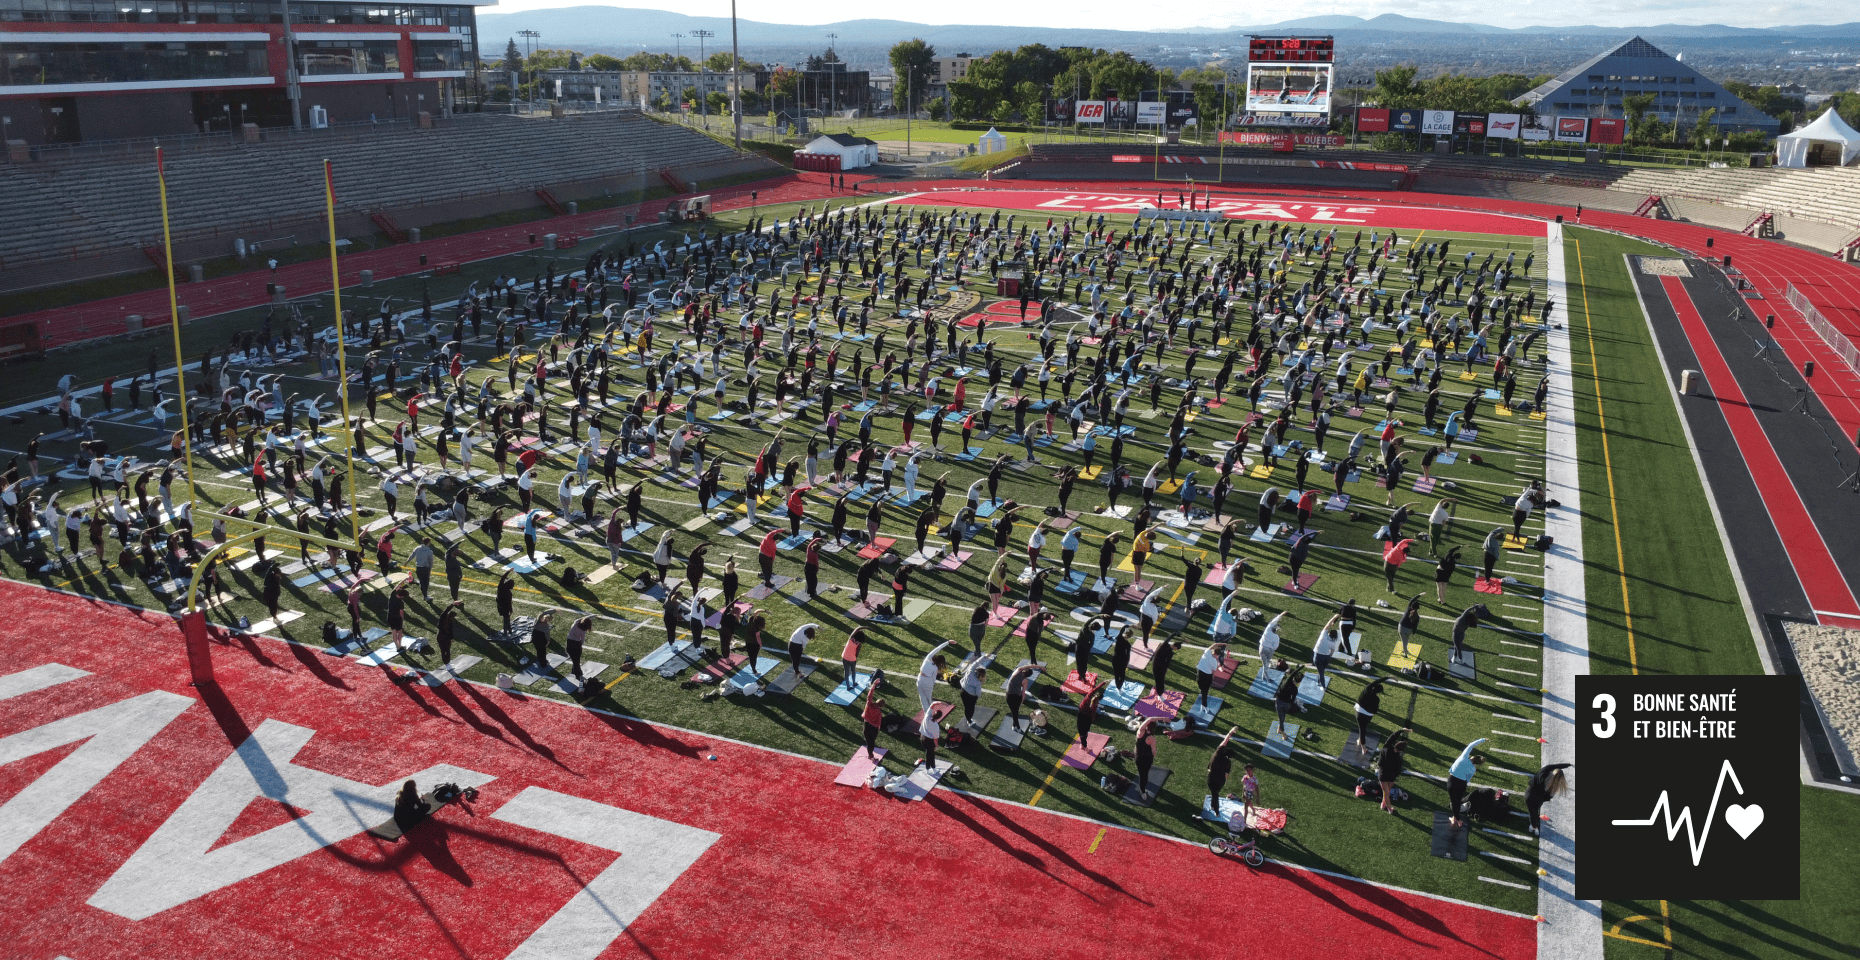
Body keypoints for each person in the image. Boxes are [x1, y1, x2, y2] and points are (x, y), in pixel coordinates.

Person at [1446, 737, 1489, 828]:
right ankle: (1455, 818)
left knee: (1454, 802)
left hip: (1452, 781)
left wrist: (1483, 740)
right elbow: (1467, 780)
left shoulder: (1464, 756)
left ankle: (1456, 820)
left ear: (1473, 757)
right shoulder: (1473, 769)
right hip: (1462, 784)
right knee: (1457, 801)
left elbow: (1471, 745)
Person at [1526, 762, 1572, 835]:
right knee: (1535, 811)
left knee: (1532, 812)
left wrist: (1566, 764)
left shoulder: (1544, 773)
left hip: (1530, 794)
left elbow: (1552, 766)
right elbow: (1548, 798)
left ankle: (1534, 827)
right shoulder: (1554, 787)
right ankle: (1534, 826)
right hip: (1540, 799)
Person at [1378, 729, 1412, 814]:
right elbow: (1397, 770)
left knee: (1386, 792)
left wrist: (1401, 730)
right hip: (1390, 776)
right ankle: (1389, 808)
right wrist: (1395, 776)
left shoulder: (1386, 747)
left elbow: (1392, 737)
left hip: (1383, 773)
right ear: (1401, 750)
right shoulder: (1398, 759)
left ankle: (1383, 804)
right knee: (1387, 791)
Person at [1004, 661, 1043, 730]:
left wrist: (1040, 666)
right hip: (1016, 697)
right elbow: (1023, 692)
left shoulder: (1018, 670)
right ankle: (1018, 727)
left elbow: (1030, 666)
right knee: (1015, 712)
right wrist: (1022, 700)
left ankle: (1014, 725)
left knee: (1014, 712)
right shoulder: (1025, 680)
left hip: (1008, 695)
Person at [1132, 717, 1161, 801]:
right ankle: (1142, 791)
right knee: (1144, 775)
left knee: (1142, 774)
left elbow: (1148, 719)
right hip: (1146, 759)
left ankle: (1142, 790)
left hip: (1138, 756)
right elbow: (1154, 751)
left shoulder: (1140, 732)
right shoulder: (1152, 738)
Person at [1272, 664, 1304, 738]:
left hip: (1280, 702)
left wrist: (1301, 667)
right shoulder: (1295, 689)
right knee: (1282, 717)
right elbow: (1293, 699)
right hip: (1287, 704)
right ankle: (1280, 728)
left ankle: (1283, 733)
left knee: (1281, 717)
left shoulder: (1287, 682)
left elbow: (1293, 673)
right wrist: (1290, 704)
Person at [1207, 726, 1239, 801]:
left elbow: (1225, 741)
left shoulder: (1217, 754)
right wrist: (1224, 780)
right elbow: (1226, 775)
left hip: (1211, 776)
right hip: (1219, 779)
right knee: (1216, 792)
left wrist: (1231, 732)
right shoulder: (1228, 763)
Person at [1354, 678, 1386, 748]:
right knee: (1363, 729)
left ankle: (1360, 741)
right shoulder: (1376, 699)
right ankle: (1363, 747)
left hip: (1358, 711)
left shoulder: (1366, 690)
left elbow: (1375, 682)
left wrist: (1387, 677)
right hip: (1367, 715)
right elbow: (1375, 711)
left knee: (1362, 729)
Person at [1196, 642, 1228, 710]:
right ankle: (1204, 705)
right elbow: (1213, 672)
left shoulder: (1207, 652)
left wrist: (1223, 643)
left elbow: (1215, 644)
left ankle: (1203, 704)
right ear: (1218, 655)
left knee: (1202, 690)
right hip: (1207, 676)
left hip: (1200, 674)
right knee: (1205, 691)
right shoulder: (1214, 662)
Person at [861, 681, 886, 761]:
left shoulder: (869, 705)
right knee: (871, 743)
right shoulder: (879, 713)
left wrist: (873, 685)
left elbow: (869, 695)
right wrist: (877, 728)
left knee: (869, 741)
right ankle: (871, 756)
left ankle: (870, 754)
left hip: (866, 725)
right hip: (873, 728)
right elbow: (878, 724)